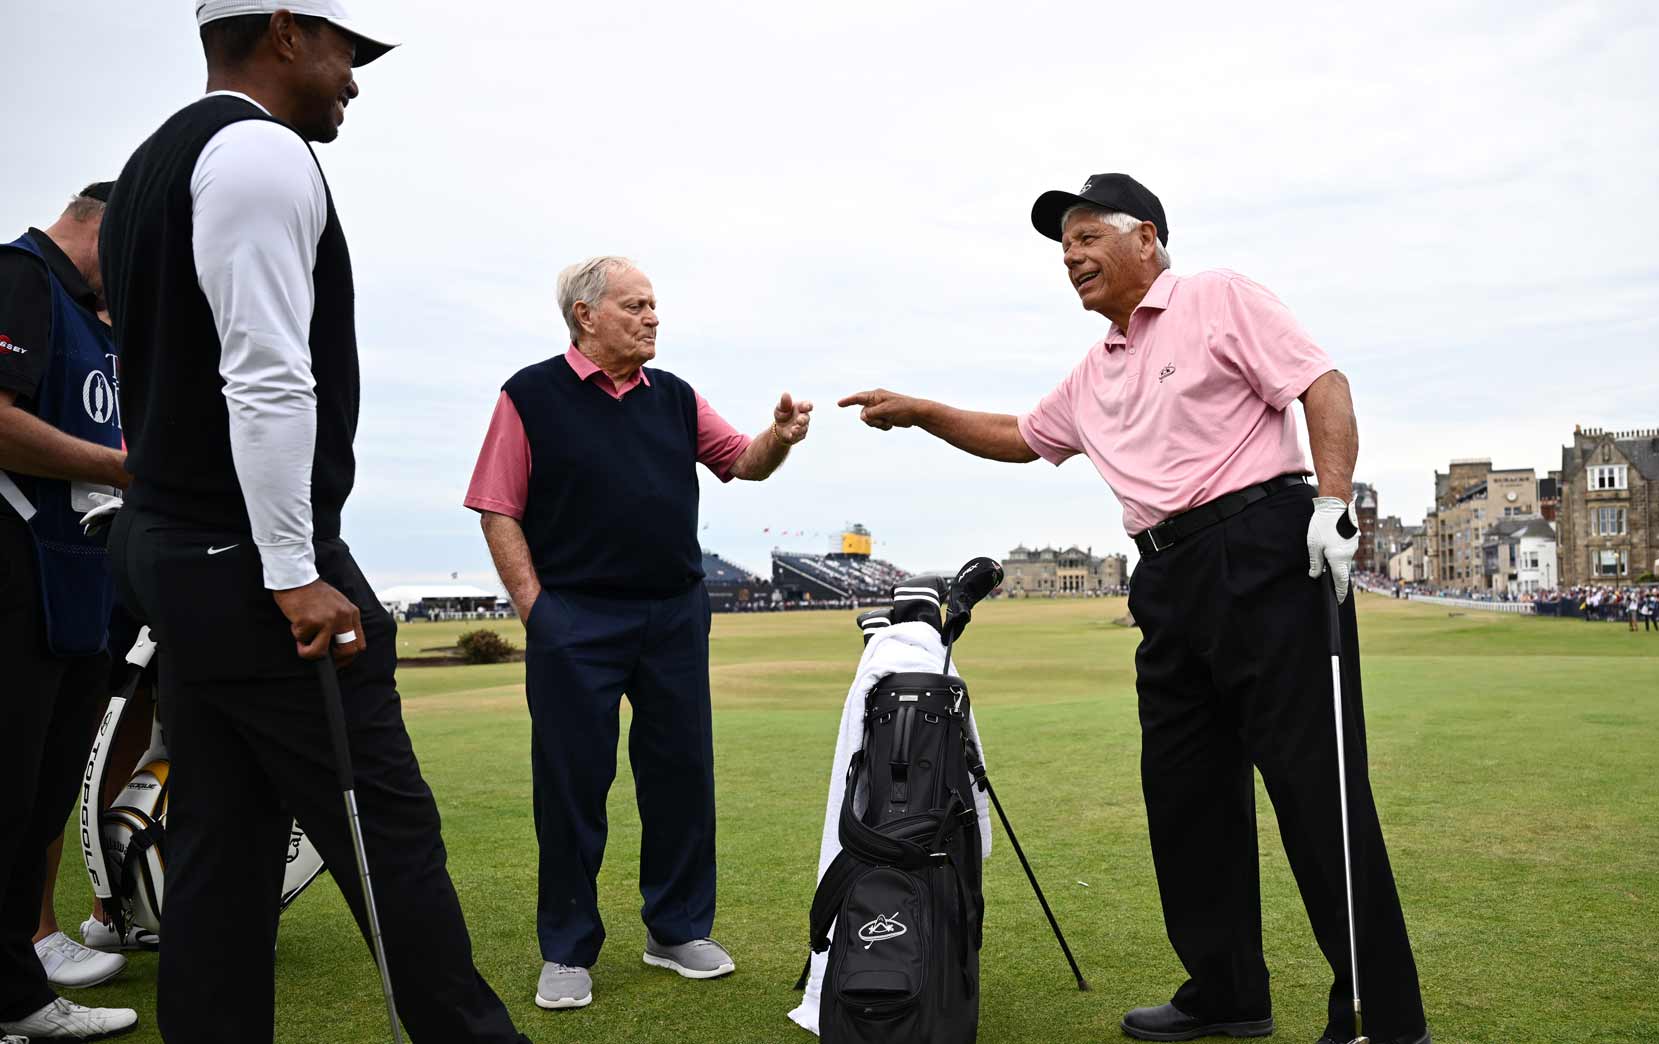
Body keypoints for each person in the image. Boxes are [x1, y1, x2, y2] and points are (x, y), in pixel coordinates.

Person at [839, 174, 1429, 1044]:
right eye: (1063, 247)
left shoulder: (1217, 298)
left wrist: (1333, 502)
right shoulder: (1095, 370)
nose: (1071, 257)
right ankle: (1229, 990)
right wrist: (925, 411)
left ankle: (1380, 1013)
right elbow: (1021, 436)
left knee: (1316, 789)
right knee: (1185, 793)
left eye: (1087, 237)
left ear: (1146, 238)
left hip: (1262, 550)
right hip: (1165, 579)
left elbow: (1321, 383)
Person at [100, 5, 530, 1040]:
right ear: (287, 32)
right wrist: (293, 567)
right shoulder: (258, 153)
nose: (352, 78)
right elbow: (265, 375)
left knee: (222, 839)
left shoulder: (154, 161)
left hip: (179, 547)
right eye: (345, 51)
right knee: (386, 834)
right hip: (252, 561)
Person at [466, 256, 813, 1010]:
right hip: (575, 621)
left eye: (655, 305)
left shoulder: (676, 397)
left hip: (672, 617)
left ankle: (677, 929)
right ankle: (566, 949)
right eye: (636, 305)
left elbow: (744, 462)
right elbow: (498, 507)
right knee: (571, 786)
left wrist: (780, 435)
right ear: (586, 315)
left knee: (681, 777)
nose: (654, 317)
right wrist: (538, 613)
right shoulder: (529, 395)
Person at [0, 184, 141, 1040]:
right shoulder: (18, 276)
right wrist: (124, 466)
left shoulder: (89, 314)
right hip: (18, 578)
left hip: (76, 585)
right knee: (11, 793)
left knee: (38, 796)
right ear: (104, 225)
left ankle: (17, 989)